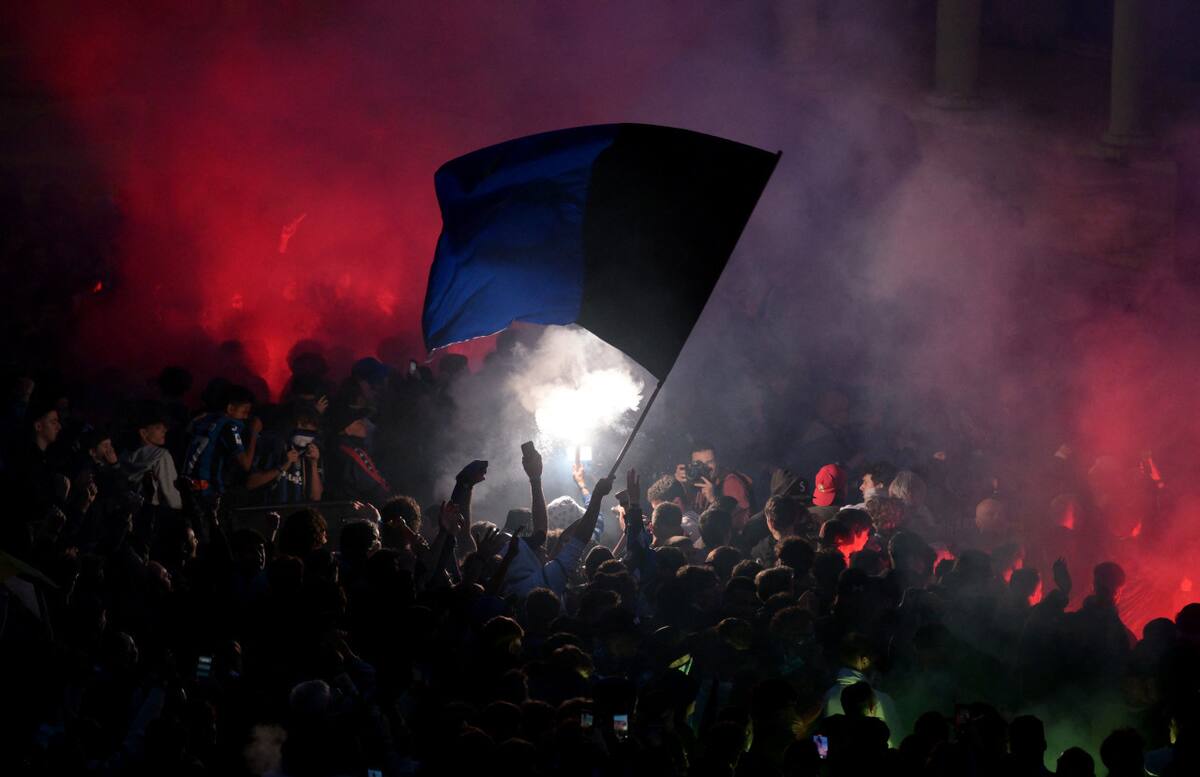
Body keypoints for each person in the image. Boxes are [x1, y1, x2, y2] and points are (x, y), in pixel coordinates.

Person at [180, 384, 261, 511]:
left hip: (186, 486)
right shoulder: (229, 426)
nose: (246, 417)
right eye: (244, 412)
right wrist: (254, 433)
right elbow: (246, 464)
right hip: (208, 491)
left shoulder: (202, 418)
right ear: (230, 408)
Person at [251, 402, 323, 504]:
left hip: (299, 511)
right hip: (272, 510)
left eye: (307, 428)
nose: (301, 431)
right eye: (299, 425)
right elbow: (251, 483)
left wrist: (314, 464)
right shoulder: (272, 446)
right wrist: (282, 467)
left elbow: (316, 497)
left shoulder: (312, 452)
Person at [679, 441, 753, 531]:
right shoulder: (700, 483)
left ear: (717, 462)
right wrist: (678, 484)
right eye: (698, 464)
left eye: (709, 462)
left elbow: (742, 522)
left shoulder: (730, 482)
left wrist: (713, 499)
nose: (705, 468)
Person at [325, 404, 390, 506]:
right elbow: (377, 486)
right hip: (357, 508)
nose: (364, 424)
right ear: (347, 430)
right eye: (359, 422)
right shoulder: (353, 453)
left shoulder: (333, 447)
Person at [124, 405, 182, 510]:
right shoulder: (161, 456)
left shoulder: (125, 455)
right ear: (143, 432)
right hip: (153, 512)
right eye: (158, 427)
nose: (165, 431)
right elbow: (171, 494)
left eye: (165, 428)